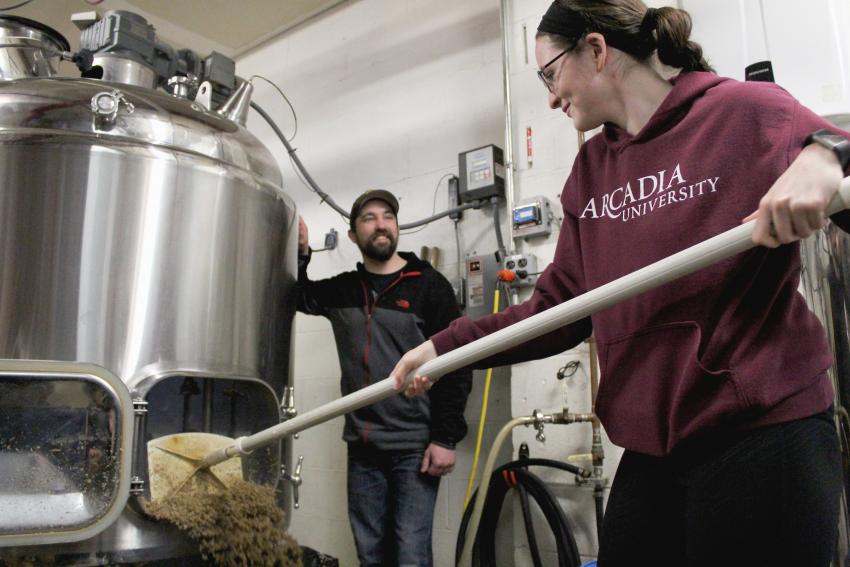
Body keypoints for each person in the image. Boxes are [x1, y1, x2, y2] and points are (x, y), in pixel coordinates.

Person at [390, 2, 850, 566]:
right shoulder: (590, 172)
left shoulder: (747, 111)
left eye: (550, 74)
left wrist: (827, 157)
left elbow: (840, 168)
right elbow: (556, 310)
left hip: (761, 433)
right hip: (654, 450)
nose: (551, 98)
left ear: (597, 50)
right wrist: (446, 349)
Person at [296, 189, 472, 567]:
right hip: (362, 447)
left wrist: (445, 438)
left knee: (410, 554)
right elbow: (297, 295)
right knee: (370, 553)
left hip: (414, 446)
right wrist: (301, 254)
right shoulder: (343, 290)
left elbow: (456, 364)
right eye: (369, 218)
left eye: (388, 216)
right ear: (353, 235)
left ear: (396, 227)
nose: (381, 224)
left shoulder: (428, 285)